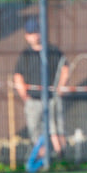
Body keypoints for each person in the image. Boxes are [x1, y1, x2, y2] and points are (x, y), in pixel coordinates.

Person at [13, 17, 69, 159]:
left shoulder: (53, 51)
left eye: (37, 32)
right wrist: (24, 95)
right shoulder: (25, 56)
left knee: (56, 129)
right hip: (33, 100)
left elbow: (65, 68)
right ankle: (43, 159)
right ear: (27, 36)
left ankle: (61, 157)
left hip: (52, 99)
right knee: (36, 130)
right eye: (31, 33)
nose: (35, 35)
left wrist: (60, 88)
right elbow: (18, 76)